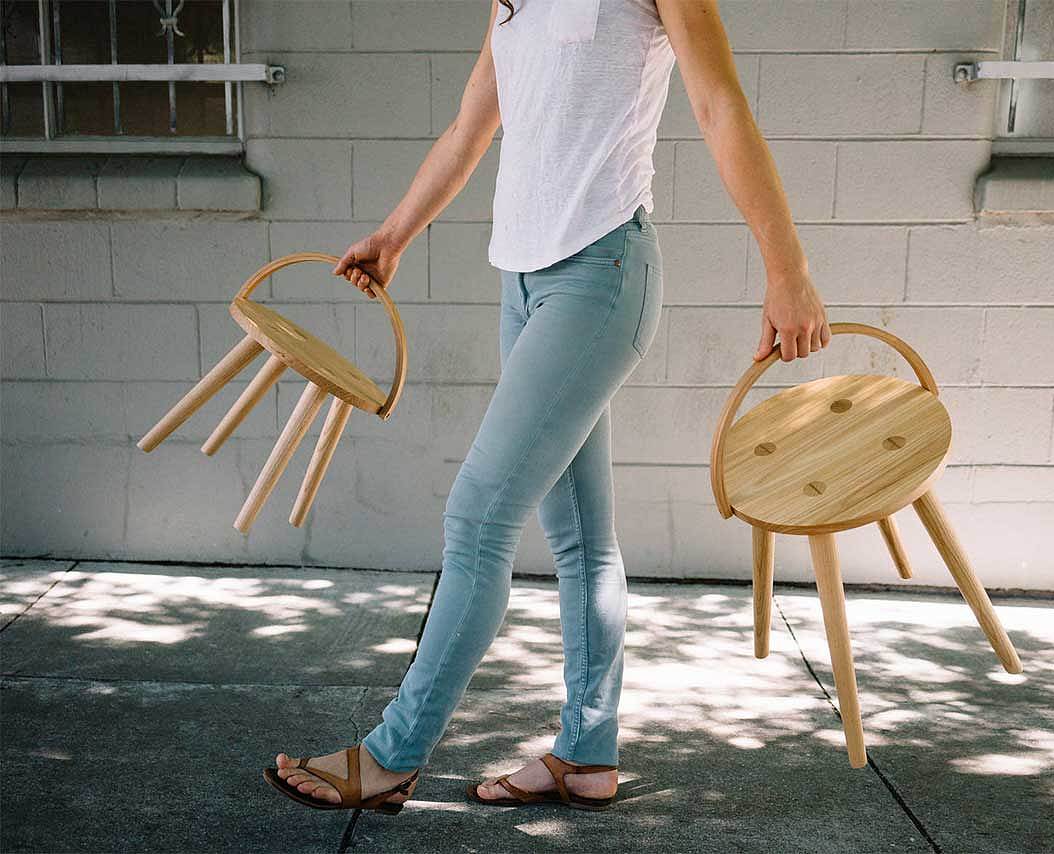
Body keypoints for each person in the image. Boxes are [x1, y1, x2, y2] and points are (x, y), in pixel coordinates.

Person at [265, 0, 830, 814]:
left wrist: (788, 270)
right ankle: (586, 754)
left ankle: (392, 754)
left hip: (601, 276)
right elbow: (471, 127)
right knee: (580, 536)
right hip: (523, 286)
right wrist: (394, 235)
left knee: (479, 516)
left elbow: (719, 103)